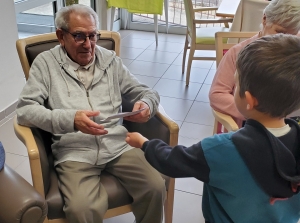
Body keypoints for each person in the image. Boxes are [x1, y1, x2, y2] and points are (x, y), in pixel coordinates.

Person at [126, 34, 300, 222]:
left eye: (236, 81)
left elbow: (172, 161)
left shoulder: (223, 149)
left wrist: (144, 143)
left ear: (248, 100)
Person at [16, 4, 165, 223]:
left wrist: (147, 104)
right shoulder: (45, 64)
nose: (88, 45)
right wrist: (71, 120)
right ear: (61, 36)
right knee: (81, 208)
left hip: (117, 145)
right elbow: (25, 111)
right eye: (79, 36)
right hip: (74, 151)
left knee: (156, 187)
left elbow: (146, 91)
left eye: (93, 36)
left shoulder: (110, 61)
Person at [209, 0, 300, 127]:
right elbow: (217, 94)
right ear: (264, 19)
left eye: (292, 34)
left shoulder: (295, 52)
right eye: (280, 32)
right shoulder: (238, 53)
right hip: (253, 125)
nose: (284, 39)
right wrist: (258, 115)